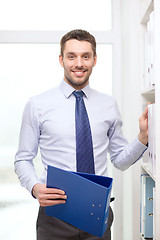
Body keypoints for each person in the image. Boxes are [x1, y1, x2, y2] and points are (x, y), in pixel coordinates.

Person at [14, 29, 148, 240]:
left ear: (94, 60)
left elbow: (120, 161)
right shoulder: (37, 105)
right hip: (54, 216)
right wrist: (35, 188)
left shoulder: (108, 105)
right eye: (71, 56)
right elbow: (23, 159)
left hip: (98, 214)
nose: (79, 63)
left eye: (85, 56)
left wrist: (142, 138)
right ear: (61, 60)